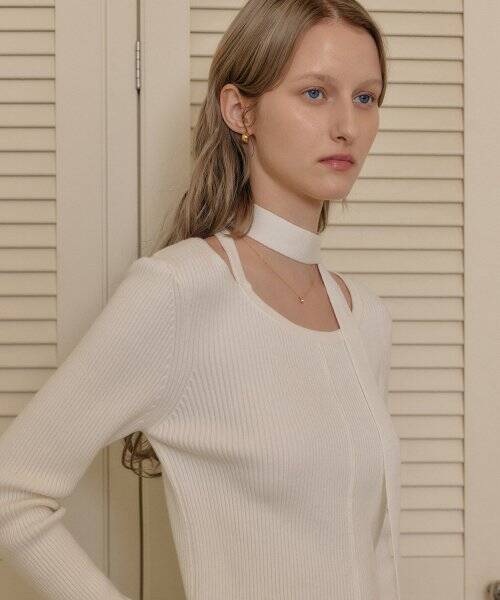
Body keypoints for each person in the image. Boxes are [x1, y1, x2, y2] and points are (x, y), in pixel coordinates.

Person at [0, 1, 401, 599]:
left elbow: (371, 554)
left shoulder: (364, 317)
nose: (347, 125)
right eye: (315, 93)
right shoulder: (180, 291)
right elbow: (13, 490)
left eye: (366, 97)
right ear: (240, 110)